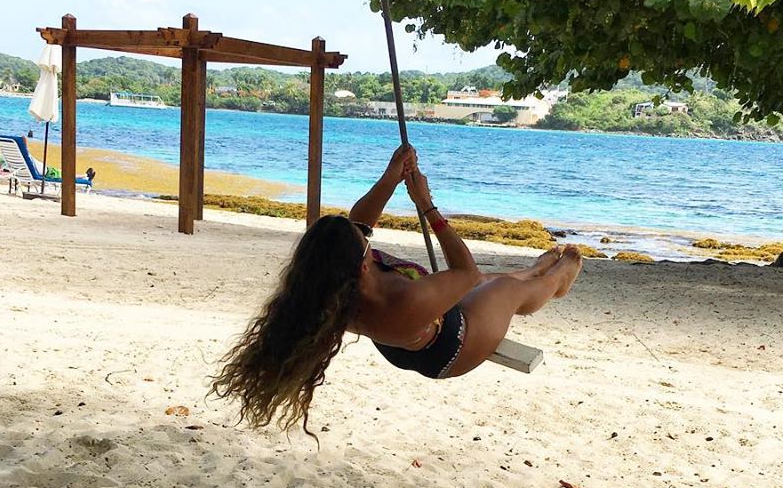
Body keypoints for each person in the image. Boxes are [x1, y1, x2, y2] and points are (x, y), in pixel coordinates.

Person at [209, 145, 582, 436]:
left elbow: (359, 221)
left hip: (415, 330)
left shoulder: (328, 283)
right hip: (453, 346)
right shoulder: (403, 299)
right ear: (363, 265)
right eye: (364, 242)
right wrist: (427, 206)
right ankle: (556, 280)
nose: (365, 234)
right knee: (502, 289)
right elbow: (465, 274)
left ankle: (533, 269)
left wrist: (391, 177)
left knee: (484, 284)